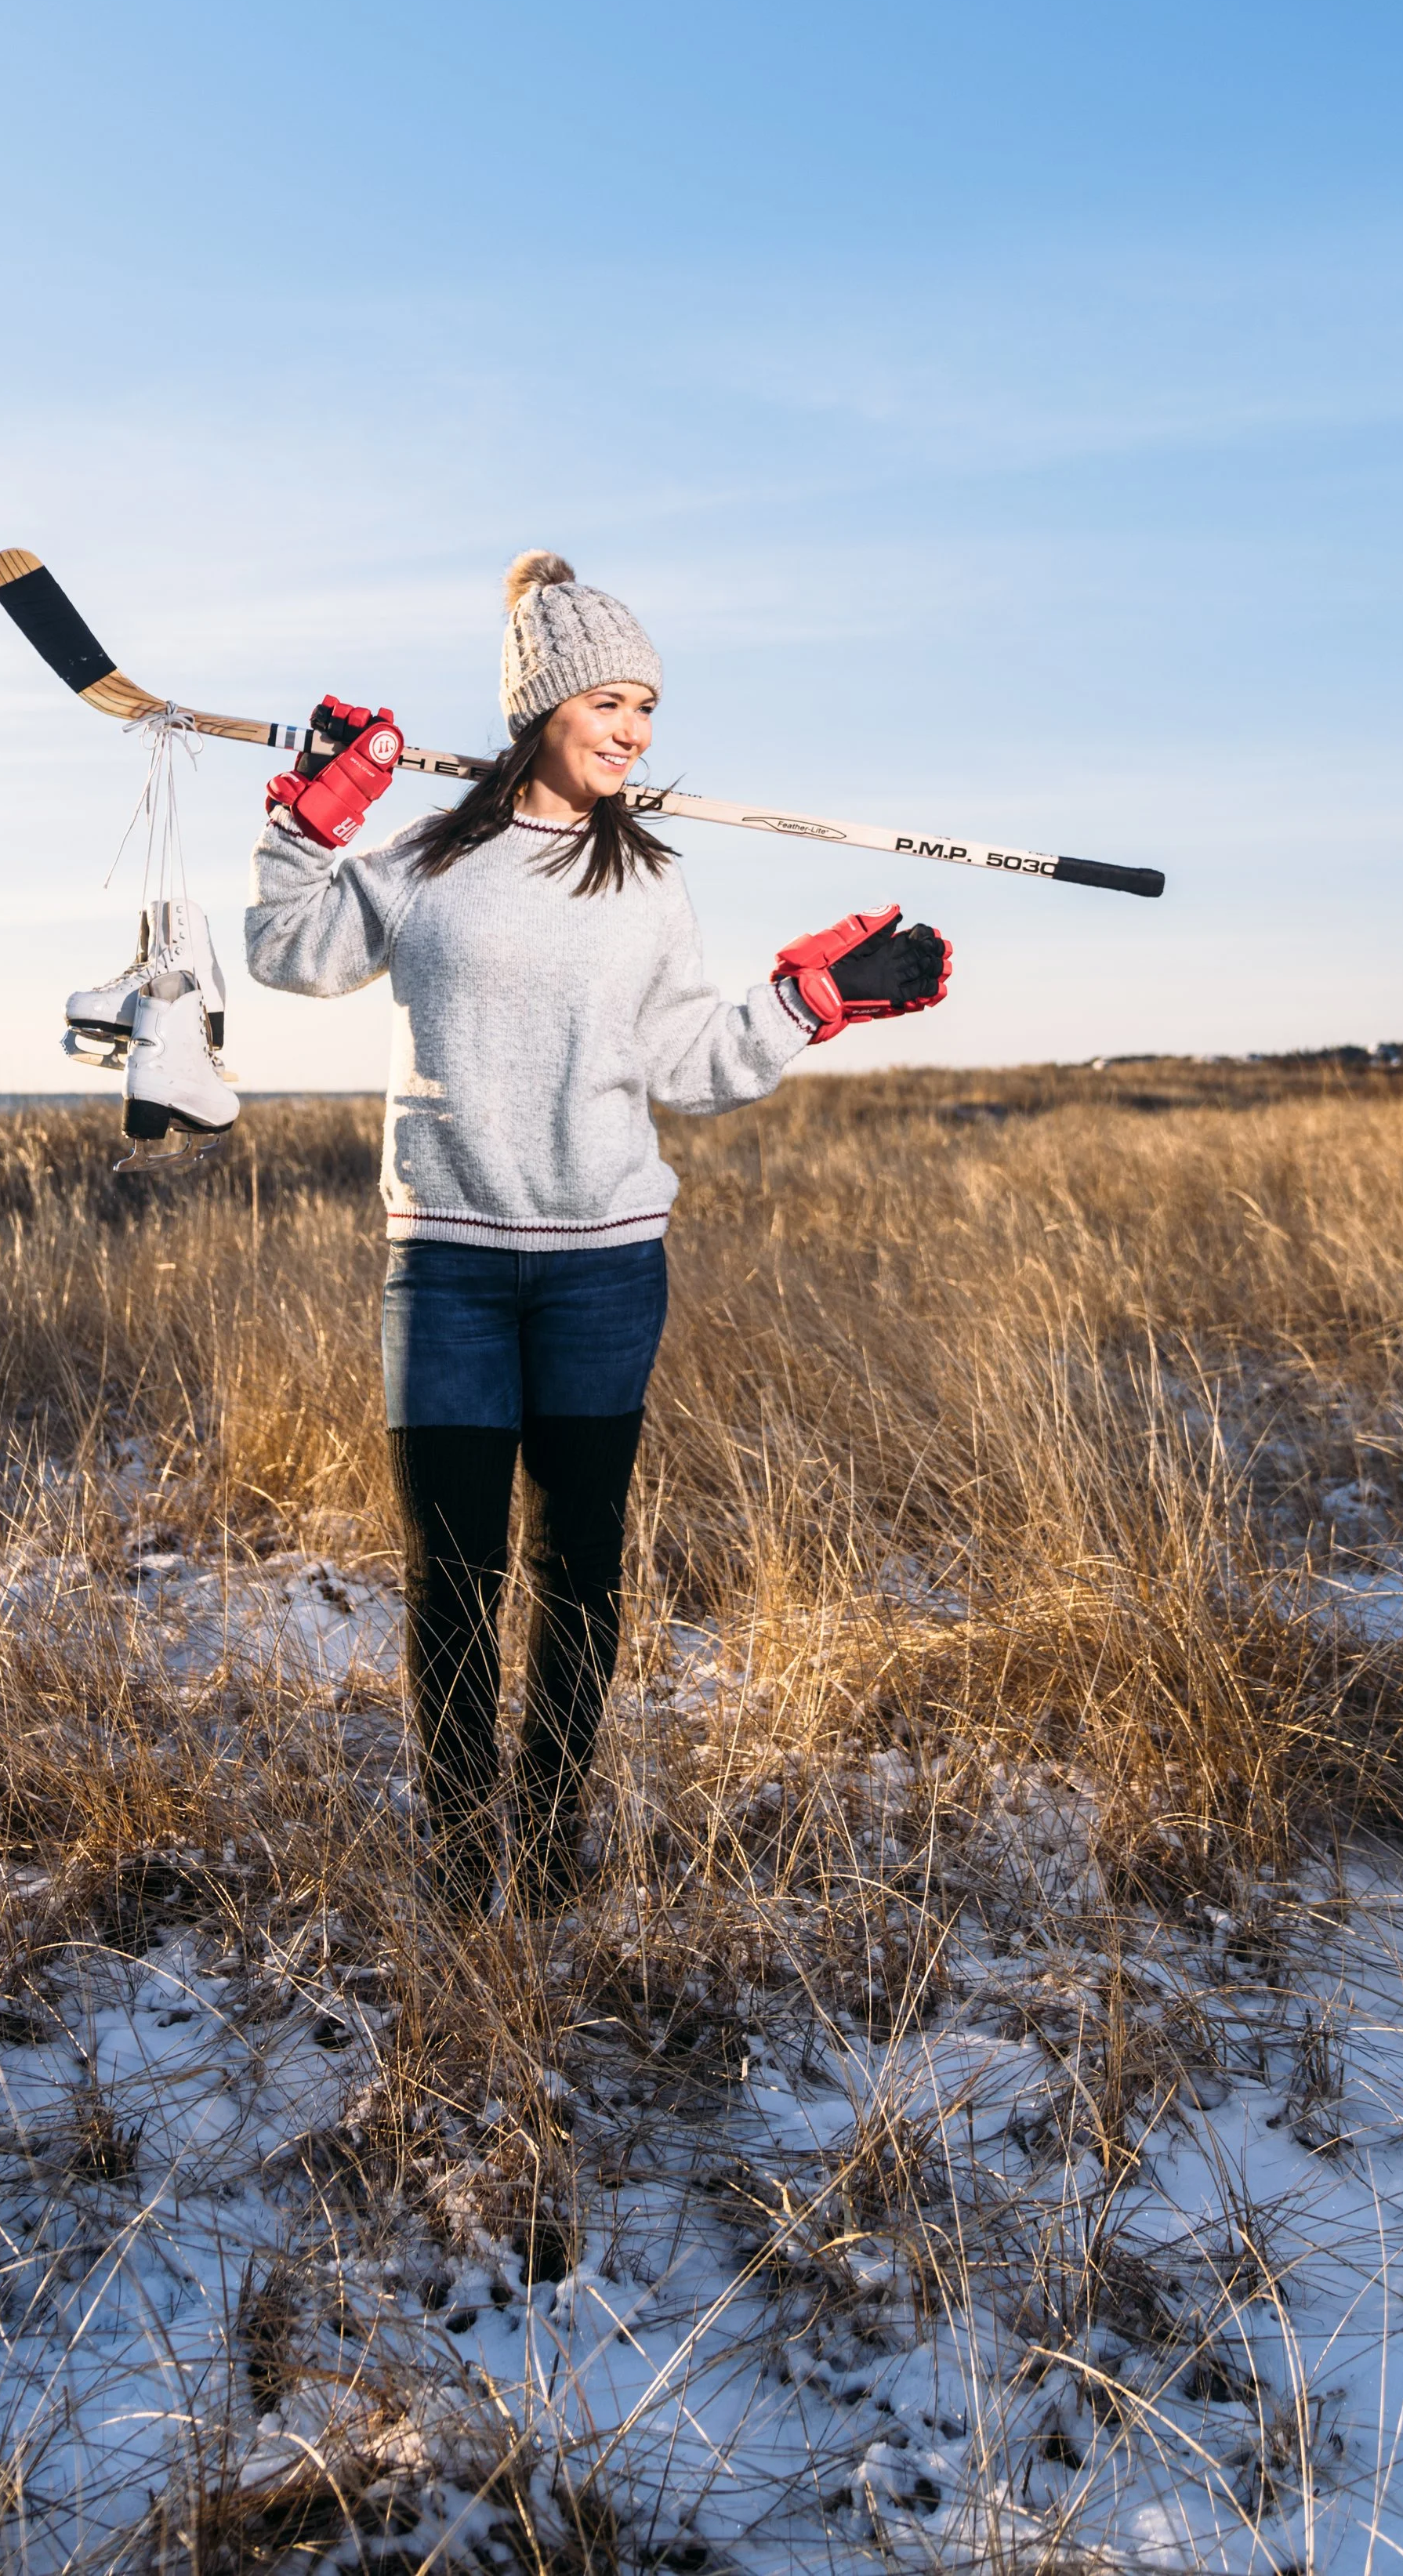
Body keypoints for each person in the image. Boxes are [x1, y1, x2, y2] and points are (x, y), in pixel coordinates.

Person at [245, 552, 949, 1915]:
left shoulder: (650, 884)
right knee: (453, 1578)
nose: (631, 731)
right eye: (609, 702)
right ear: (542, 707)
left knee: (580, 1570)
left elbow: (690, 1062)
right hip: (446, 1267)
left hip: (605, 1272)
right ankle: (465, 1854)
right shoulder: (430, 859)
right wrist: (311, 819)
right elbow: (288, 950)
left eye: (647, 708)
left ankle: (551, 1833)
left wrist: (807, 1002)